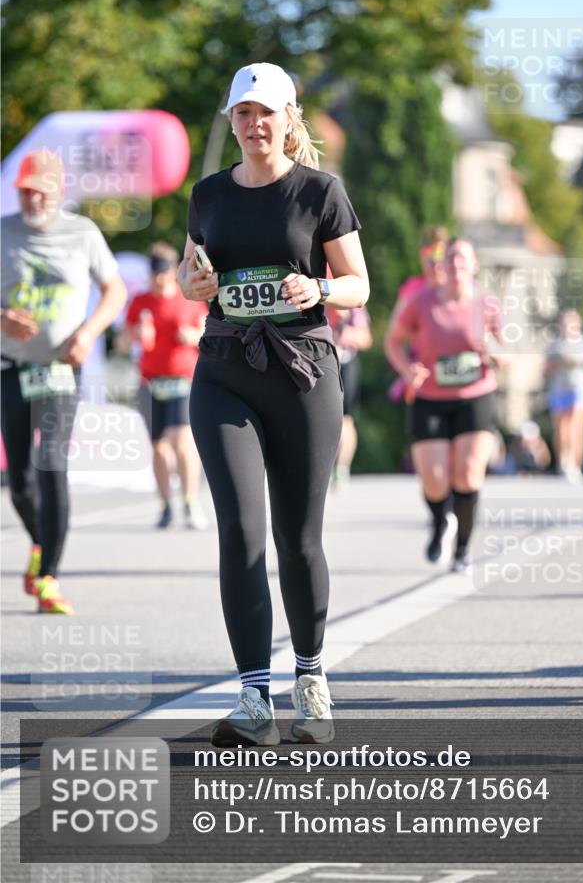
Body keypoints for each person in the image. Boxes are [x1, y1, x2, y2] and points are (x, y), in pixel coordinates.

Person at [179, 62, 369, 746]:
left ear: (289, 118)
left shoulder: (320, 190)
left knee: (299, 538)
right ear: (229, 121)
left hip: (302, 373)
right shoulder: (206, 194)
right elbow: (190, 271)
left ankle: (311, 680)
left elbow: (358, 285)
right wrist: (188, 282)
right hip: (225, 369)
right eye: (242, 114)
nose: (255, 126)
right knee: (240, 533)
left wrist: (317, 289)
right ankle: (253, 698)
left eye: (267, 113)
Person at [0, 149, 126, 614]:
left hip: (60, 370)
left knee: (51, 462)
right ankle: (41, 544)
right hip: (11, 368)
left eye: (41, 190)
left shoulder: (82, 233)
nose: (32, 198)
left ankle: (49, 575)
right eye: (25, 190)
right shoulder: (3, 232)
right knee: (19, 481)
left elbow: (115, 290)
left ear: (58, 192)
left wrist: (88, 334)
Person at [384, 237, 503, 573]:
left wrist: (493, 349)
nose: (455, 265)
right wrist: (408, 369)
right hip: (430, 398)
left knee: (467, 474)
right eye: (450, 259)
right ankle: (439, 522)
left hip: (475, 396)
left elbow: (510, 355)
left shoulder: (487, 303)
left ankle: (462, 550)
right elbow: (393, 341)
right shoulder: (420, 301)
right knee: (434, 480)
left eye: (463, 259)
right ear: (442, 265)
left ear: (474, 265)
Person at [118, 242, 209, 530]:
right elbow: (121, 344)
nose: (159, 278)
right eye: (154, 272)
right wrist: (135, 334)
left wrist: (192, 335)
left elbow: (209, 336)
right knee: (158, 447)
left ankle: (190, 501)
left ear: (173, 272)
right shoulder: (140, 301)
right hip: (150, 381)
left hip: (183, 378)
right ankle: (166, 504)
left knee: (182, 439)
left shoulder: (190, 298)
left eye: (164, 272)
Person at [388, 227, 448, 404]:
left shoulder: (463, 289)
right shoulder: (413, 289)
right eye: (430, 258)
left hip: (460, 379)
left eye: (440, 258)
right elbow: (393, 338)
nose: (435, 264)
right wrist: (406, 369)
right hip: (422, 375)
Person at [545, 309, 583, 482]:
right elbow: (546, 368)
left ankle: (575, 464)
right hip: (560, 389)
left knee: (576, 426)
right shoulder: (555, 343)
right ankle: (563, 461)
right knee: (562, 428)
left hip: (581, 388)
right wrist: (560, 361)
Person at [326, 305, 372, 489]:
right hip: (323, 363)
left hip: (347, 363)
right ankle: (324, 466)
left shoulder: (354, 305)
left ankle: (341, 468)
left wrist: (346, 333)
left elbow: (366, 339)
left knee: (346, 420)